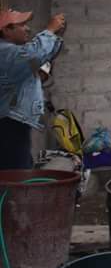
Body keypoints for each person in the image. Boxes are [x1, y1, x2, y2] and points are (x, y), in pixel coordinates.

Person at [0, 9, 65, 170]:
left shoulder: (13, 54)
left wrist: (55, 38)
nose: (27, 28)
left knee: (19, 169)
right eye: (21, 25)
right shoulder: (6, 53)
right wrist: (50, 31)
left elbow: (37, 62)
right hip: (8, 124)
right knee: (15, 174)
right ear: (6, 30)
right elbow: (34, 54)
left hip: (14, 122)